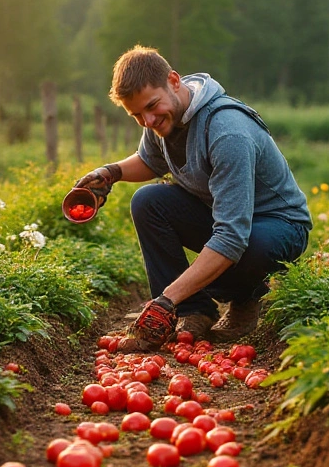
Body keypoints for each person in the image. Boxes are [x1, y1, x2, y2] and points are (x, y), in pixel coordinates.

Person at [75, 46, 312, 350]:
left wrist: (166, 299)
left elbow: (231, 237)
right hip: (227, 218)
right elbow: (150, 161)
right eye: (137, 115)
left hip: (278, 226)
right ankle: (194, 311)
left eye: (151, 107)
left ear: (174, 81)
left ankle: (245, 297)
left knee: (249, 247)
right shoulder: (163, 116)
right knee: (148, 202)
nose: (147, 121)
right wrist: (110, 173)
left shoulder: (228, 132)